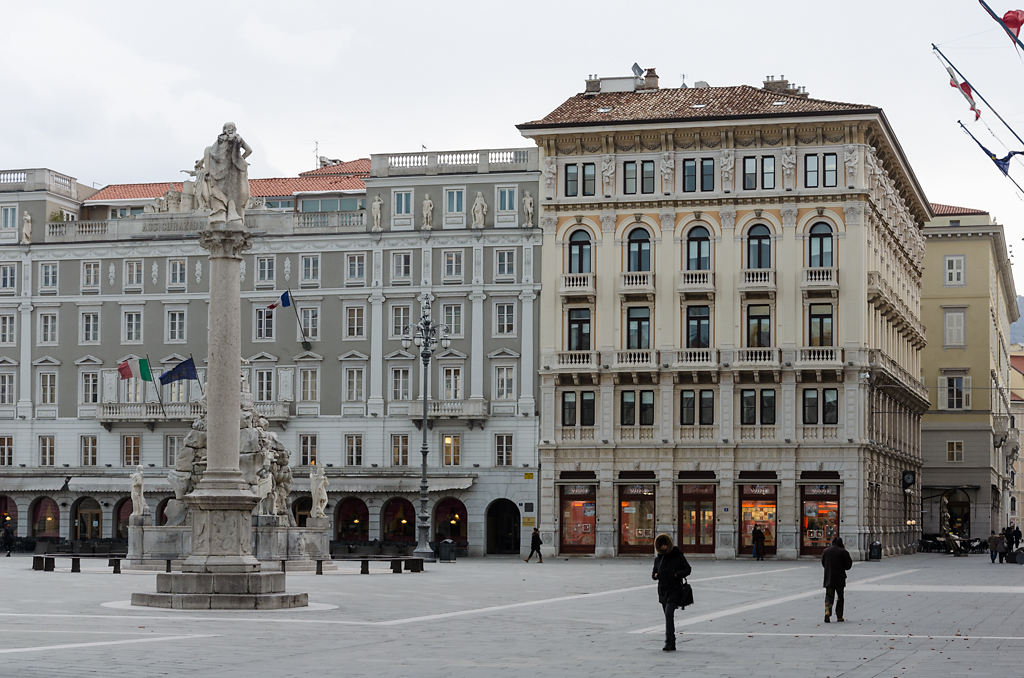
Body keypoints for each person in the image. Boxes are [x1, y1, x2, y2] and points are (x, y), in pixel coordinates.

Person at [652, 533, 691, 652]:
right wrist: (655, 575)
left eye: (665, 545)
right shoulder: (659, 558)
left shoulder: (677, 555)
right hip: (663, 591)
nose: (663, 547)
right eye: (661, 545)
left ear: (668, 545)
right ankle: (671, 642)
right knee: (668, 616)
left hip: (675, 589)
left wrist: (676, 574)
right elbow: (653, 573)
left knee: (669, 613)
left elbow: (687, 569)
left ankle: (669, 641)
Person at [821, 536, 853, 623]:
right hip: (840, 578)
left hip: (829, 577)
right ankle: (839, 616)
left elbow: (823, 563)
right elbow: (848, 566)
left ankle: (827, 611)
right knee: (840, 597)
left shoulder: (826, 551)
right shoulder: (843, 551)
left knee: (829, 596)